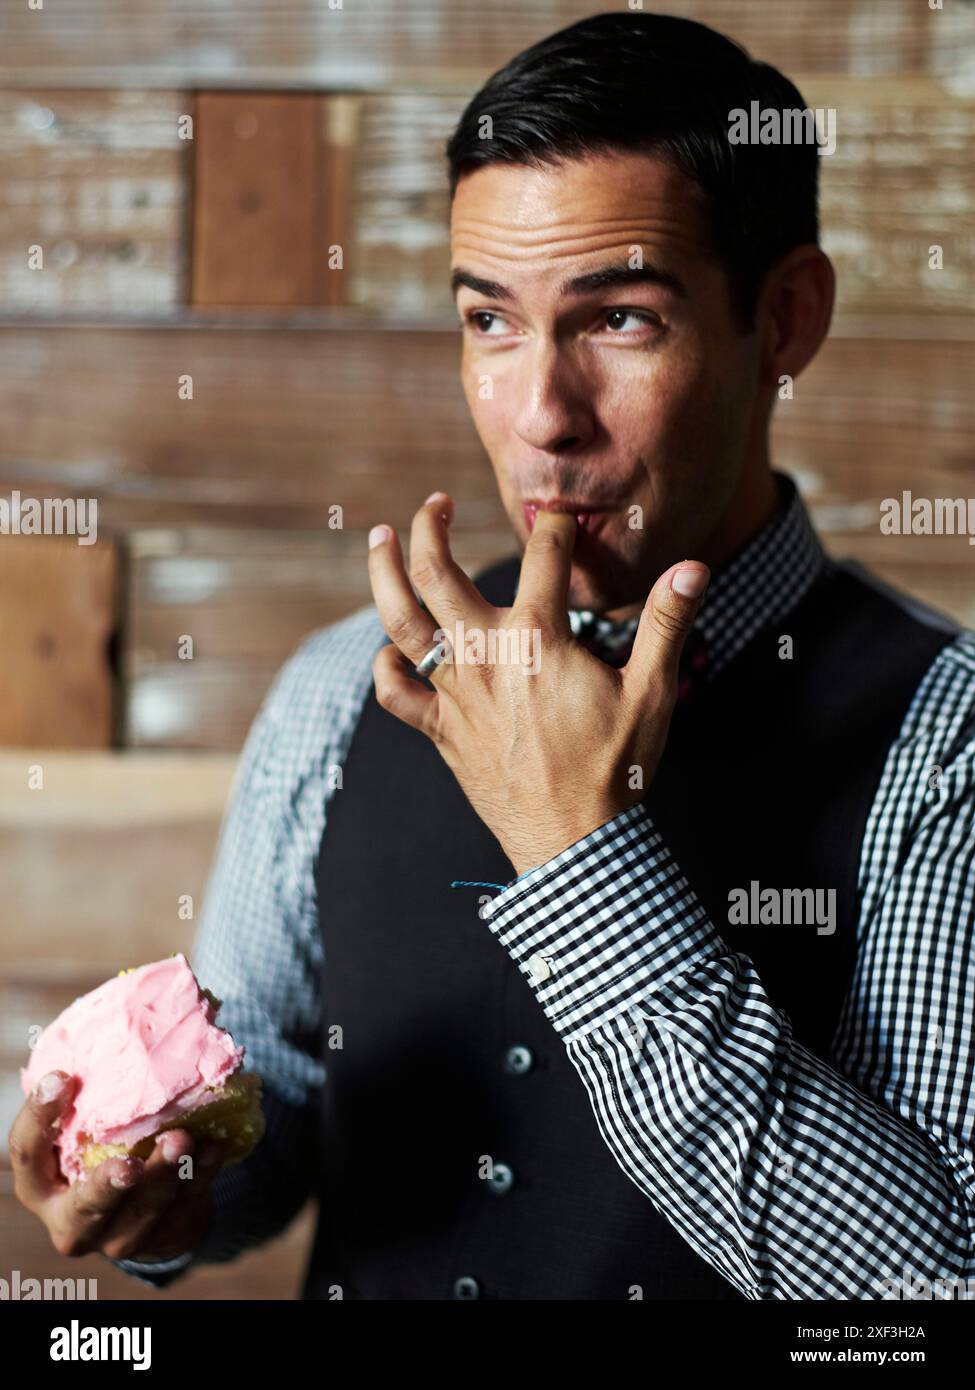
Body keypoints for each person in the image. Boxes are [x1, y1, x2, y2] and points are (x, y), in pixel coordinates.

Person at [12, 11, 975, 1300]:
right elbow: (281, 1111)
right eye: (490, 322)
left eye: (620, 319)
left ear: (786, 319)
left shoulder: (946, 738)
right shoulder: (333, 693)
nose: (540, 417)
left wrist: (581, 860)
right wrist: (167, 1188)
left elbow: (932, 1285)